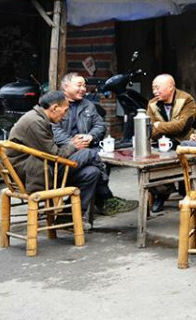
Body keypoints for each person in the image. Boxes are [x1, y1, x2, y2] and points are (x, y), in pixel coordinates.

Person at [8, 90, 104, 229]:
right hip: (33, 175)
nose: (65, 116)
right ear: (54, 108)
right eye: (65, 111)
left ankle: (66, 218)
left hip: (41, 169)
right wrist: (73, 146)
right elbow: (55, 155)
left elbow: (50, 152)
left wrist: (72, 145)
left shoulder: (37, 117)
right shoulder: (35, 122)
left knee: (92, 172)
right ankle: (105, 195)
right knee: (91, 154)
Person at [52, 72, 138, 216]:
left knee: (97, 164)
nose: (83, 89)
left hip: (88, 147)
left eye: (84, 85)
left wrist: (90, 137)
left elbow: (100, 125)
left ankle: (73, 209)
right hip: (64, 152)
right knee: (95, 160)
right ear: (66, 87)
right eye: (79, 85)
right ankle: (106, 199)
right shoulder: (55, 104)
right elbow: (52, 128)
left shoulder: (88, 105)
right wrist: (72, 143)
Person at [147, 74, 196, 212]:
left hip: (183, 141)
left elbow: (182, 127)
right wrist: (163, 127)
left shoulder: (186, 100)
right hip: (161, 143)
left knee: (181, 154)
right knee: (147, 162)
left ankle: (184, 190)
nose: (154, 92)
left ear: (170, 87)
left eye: (157, 88)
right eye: (153, 88)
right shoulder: (152, 104)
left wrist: (159, 125)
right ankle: (162, 193)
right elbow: (150, 131)